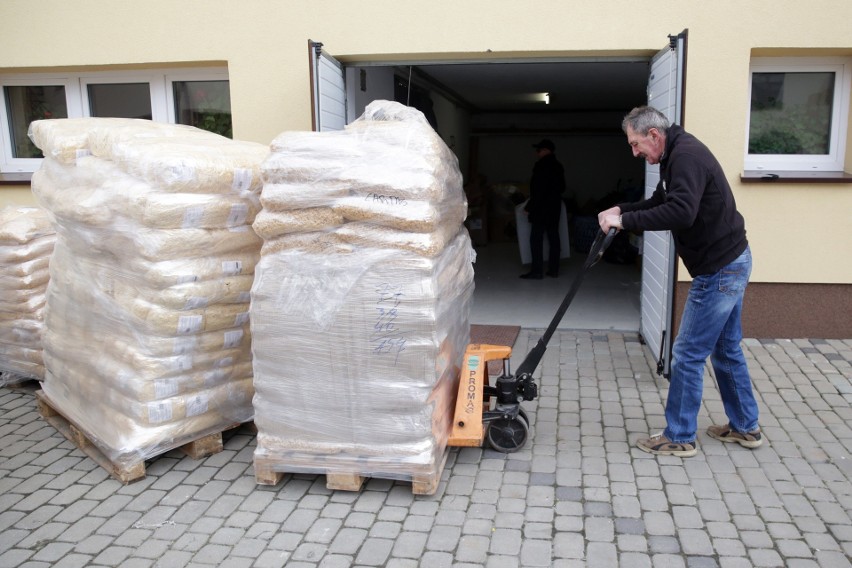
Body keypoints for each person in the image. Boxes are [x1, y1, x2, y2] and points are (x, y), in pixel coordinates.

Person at [599, 106, 761, 458]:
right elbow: (662, 200)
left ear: (654, 136)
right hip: (730, 261)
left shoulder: (685, 157)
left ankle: (680, 435)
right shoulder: (675, 155)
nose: (635, 152)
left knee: (687, 353)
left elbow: (681, 212)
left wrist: (625, 224)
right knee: (726, 348)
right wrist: (621, 210)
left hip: (720, 269)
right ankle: (745, 427)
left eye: (636, 144)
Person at [520, 139, 566, 279]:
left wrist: (530, 206)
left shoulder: (542, 166)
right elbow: (562, 187)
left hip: (540, 208)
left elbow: (539, 190)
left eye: (539, 150)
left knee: (536, 239)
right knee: (554, 238)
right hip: (554, 207)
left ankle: (537, 271)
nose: (537, 153)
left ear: (546, 150)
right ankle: (554, 269)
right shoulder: (558, 166)